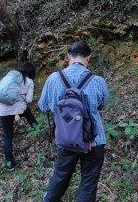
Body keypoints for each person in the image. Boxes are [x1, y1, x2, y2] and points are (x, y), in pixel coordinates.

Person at [38, 42, 109, 202]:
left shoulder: (53, 79)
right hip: (94, 139)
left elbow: (43, 106)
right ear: (88, 58)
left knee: (60, 175)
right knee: (89, 183)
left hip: (66, 138)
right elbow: (102, 105)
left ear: (68, 56)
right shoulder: (98, 81)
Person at [0, 62, 37, 170]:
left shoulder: (9, 77)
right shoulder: (29, 81)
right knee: (28, 113)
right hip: (18, 110)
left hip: (3, 111)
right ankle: (36, 129)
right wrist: (20, 97)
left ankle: (9, 163)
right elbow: (29, 100)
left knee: (7, 136)